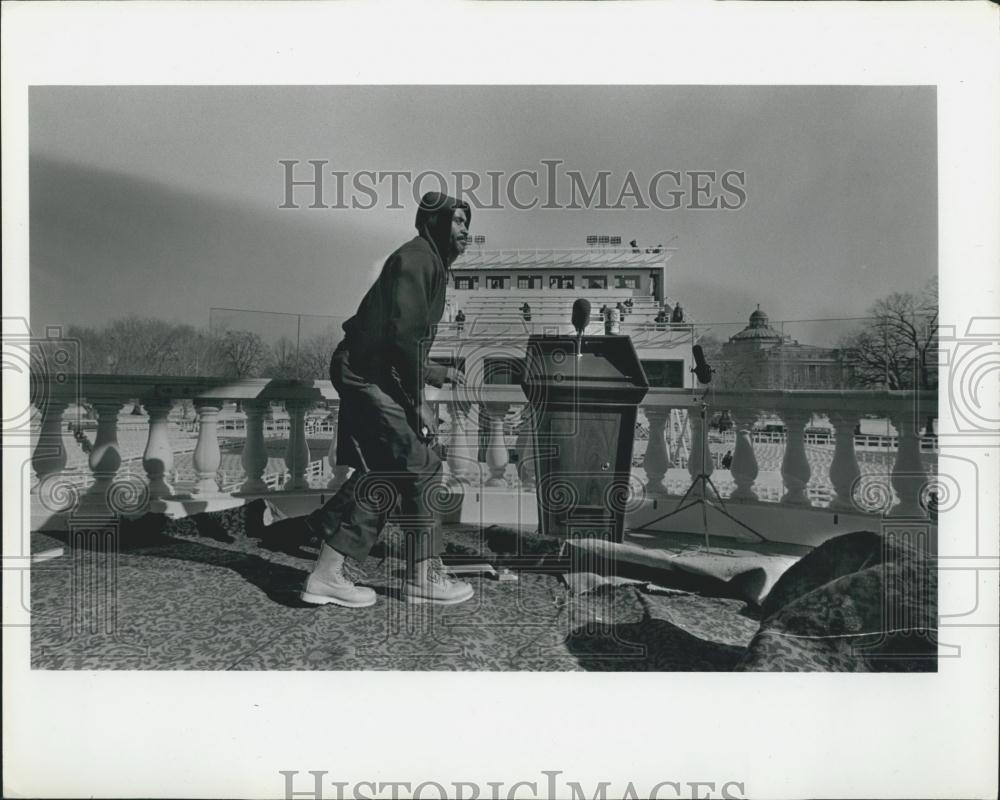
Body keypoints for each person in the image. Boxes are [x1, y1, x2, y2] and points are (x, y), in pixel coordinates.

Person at [297, 192, 475, 608]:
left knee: (393, 468)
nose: (466, 230)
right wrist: (419, 402)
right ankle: (415, 574)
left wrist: (431, 372)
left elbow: (397, 337)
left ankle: (333, 561)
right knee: (418, 463)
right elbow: (400, 339)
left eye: (468, 222)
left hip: (371, 368)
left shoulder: (428, 262)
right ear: (434, 222)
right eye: (458, 220)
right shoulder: (419, 259)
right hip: (365, 372)